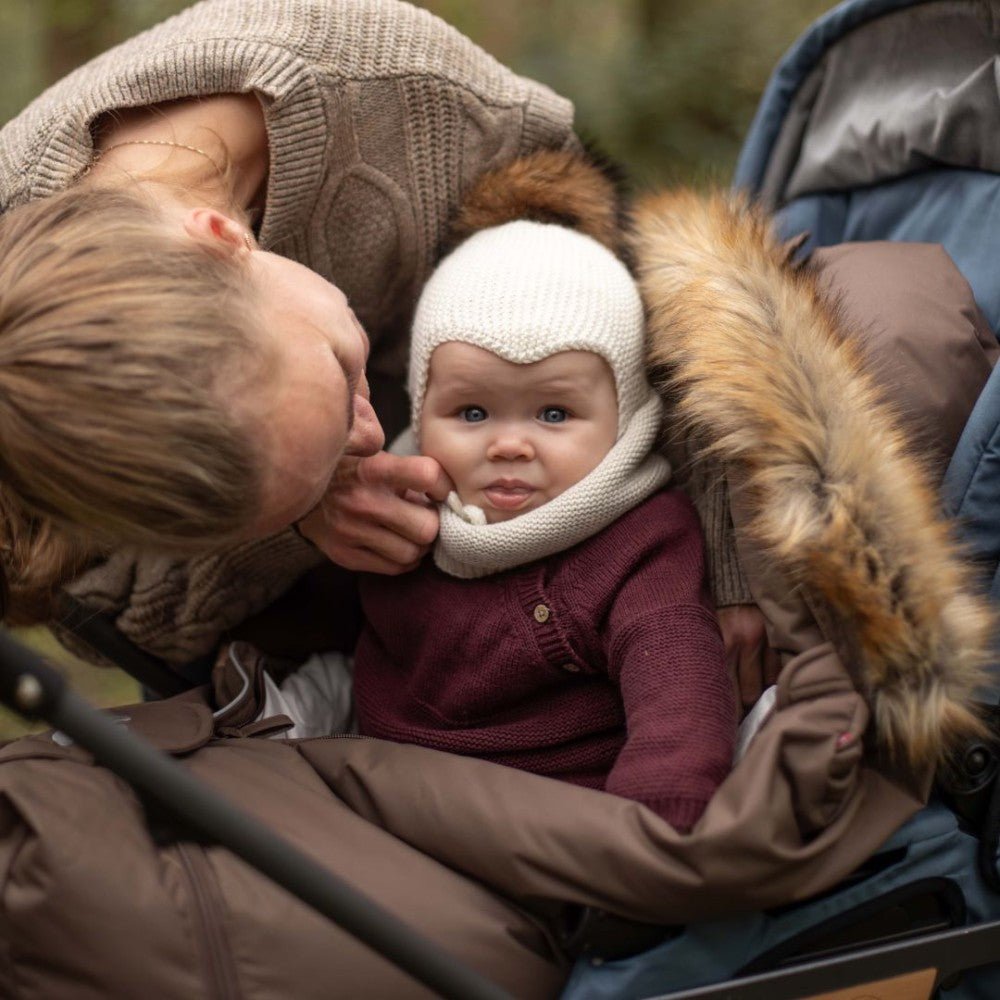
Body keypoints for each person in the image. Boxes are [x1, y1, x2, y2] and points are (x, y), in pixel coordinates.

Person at [0, 0, 581, 665]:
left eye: (338, 373)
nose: (368, 442)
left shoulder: (392, 83)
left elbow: (622, 278)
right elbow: (101, 620)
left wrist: (727, 558)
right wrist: (299, 525)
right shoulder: (26, 399)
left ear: (221, 240)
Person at [293, 209, 735, 831]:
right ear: (423, 412)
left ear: (626, 416)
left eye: (553, 414)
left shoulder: (642, 542)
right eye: (472, 413)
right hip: (381, 789)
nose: (509, 445)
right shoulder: (398, 508)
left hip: (550, 815)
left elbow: (679, 695)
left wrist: (660, 822)